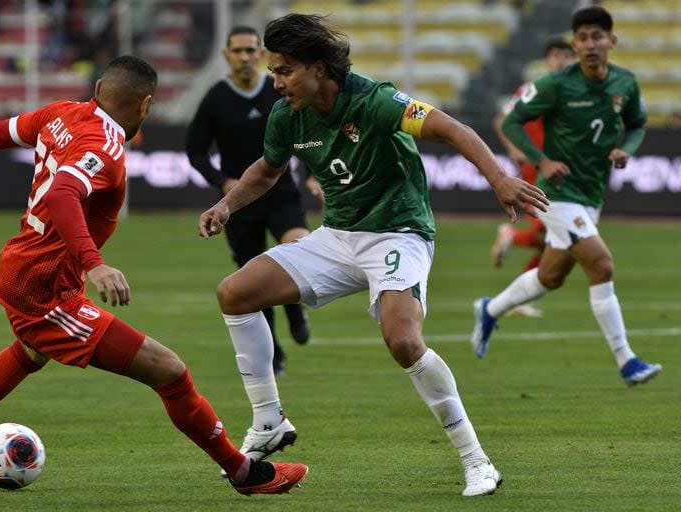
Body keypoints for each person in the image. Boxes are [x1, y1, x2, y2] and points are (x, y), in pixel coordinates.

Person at [0, 55, 307, 495]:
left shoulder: (59, 113)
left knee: (30, 351)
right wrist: (94, 262)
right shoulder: (106, 148)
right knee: (170, 372)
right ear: (145, 107)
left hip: (23, 268)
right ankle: (243, 473)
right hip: (45, 289)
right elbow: (64, 191)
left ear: (99, 88)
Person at [199, 14, 548, 496]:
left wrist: (499, 178)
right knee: (235, 293)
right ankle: (268, 422)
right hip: (339, 236)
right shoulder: (287, 115)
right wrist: (225, 204)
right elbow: (267, 170)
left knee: (402, 341)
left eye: (284, 71)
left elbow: (452, 129)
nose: (275, 82)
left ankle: (476, 460)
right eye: (273, 71)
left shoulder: (376, 100)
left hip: (399, 233)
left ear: (319, 68)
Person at [472, 6, 662, 387]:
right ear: (575, 44)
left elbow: (638, 124)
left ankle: (489, 309)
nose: (590, 44)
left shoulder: (625, 83)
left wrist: (630, 148)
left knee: (550, 277)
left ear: (612, 41)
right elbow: (511, 122)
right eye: (583, 37)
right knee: (602, 265)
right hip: (557, 195)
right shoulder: (557, 84)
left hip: (591, 192)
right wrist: (541, 162)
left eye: (597, 36)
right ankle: (627, 361)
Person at [186, 26, 313, 376]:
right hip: (239, 203)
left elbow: (308, 133)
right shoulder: (215, 99)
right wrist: (222, 181)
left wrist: (315, 174)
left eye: (250, 50)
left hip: (282, 193)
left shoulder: (279, 93)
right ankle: (274, 352)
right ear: (226, 55)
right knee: (253, 279)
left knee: (298, 248)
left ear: (261, 55)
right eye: (237, 51)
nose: (245, 57)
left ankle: (295, 309)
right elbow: (195, 151)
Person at [489, 38, 575, 317]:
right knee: (558, 237)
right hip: (537, 167)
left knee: (555, 240)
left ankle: (518, 296)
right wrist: (515, 150)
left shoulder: (575, 93)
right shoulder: (533, 89)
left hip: (561, 169)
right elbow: (502, 120)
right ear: (547, 61)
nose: (560, 60)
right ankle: (512, 236)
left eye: (565, 55)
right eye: (555, 55)